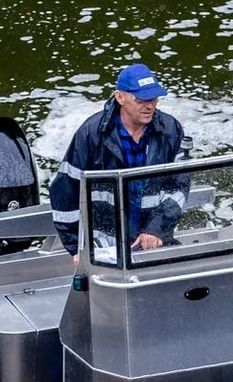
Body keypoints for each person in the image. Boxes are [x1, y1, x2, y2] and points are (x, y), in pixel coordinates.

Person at [48, 62, 189, 256]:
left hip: (153, 243)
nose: (150, 105)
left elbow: (179, 186)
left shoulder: (171, 130)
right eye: (141, 99)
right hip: (103, 246)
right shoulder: (90, 134)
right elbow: (65, 190)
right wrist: (76, 250)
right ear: (120, 97)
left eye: (154, 98)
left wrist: (156, 229)